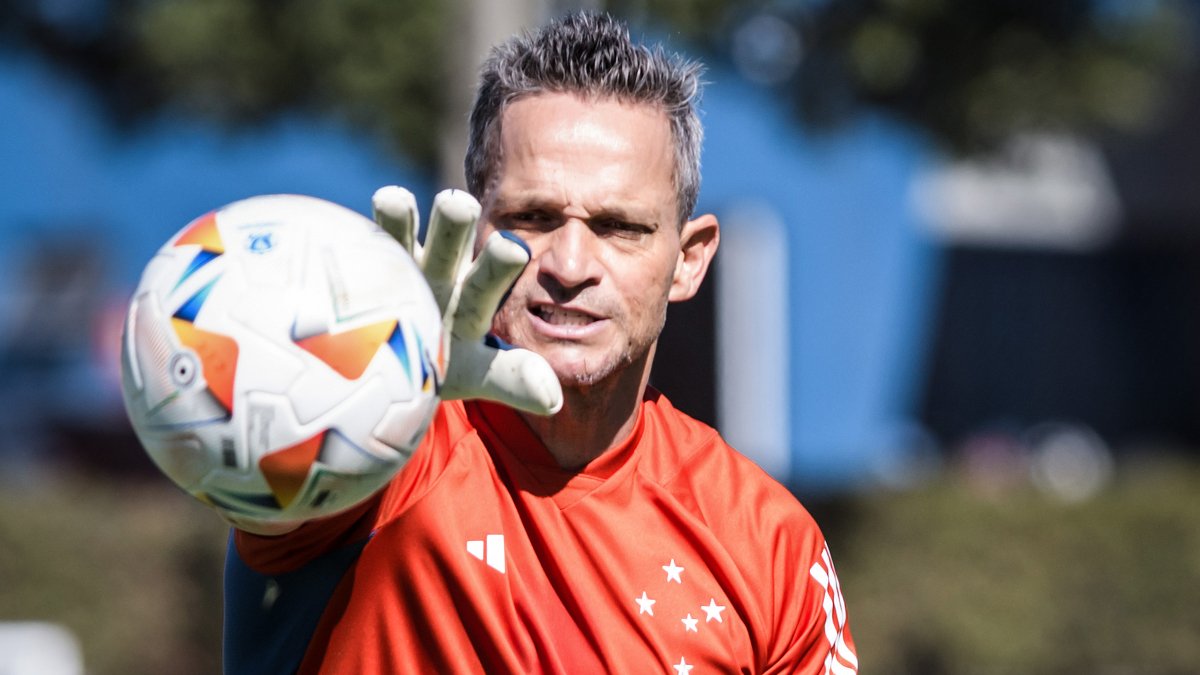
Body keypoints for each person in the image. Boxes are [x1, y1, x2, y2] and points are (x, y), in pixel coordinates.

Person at [224, 11, 858, 674]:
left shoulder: (767, 542)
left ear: (689, 259)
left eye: (619, 227)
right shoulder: (377, 441)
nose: (571, 262)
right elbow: (246, 459)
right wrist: (369, 386)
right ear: (473, 231)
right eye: (533, 218)